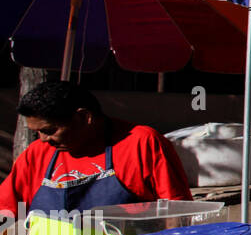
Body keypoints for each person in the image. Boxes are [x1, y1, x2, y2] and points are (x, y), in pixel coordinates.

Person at [0, 81, 192, 219]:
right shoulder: (37, 153)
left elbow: (178, 213)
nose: (43, 139)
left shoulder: (141, 143)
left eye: (49, 131)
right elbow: (5, 211)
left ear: (84, 117)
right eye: (37, 133)